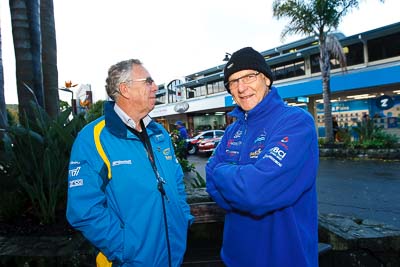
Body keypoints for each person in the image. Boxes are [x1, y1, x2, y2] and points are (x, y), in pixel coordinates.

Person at [66, 59, 193, 267]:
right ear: (125, 89)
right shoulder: (93, 138)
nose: (155, 87)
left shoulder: (159, 133)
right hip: (128, 260)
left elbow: (176, 180)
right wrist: (124, 248)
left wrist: (183, 218)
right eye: (148, 81)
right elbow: (83, 209)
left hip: (174, 255)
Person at [206, 47, 319, 267]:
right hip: (234, 257)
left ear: (266, 79)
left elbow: (256, 192)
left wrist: (222, 172)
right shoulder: (232, 130)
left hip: (284, 258)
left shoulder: (295, 122)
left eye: (249, 76)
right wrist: (237, 181)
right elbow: (210, 180)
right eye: (233, 81)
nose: (241, 87)